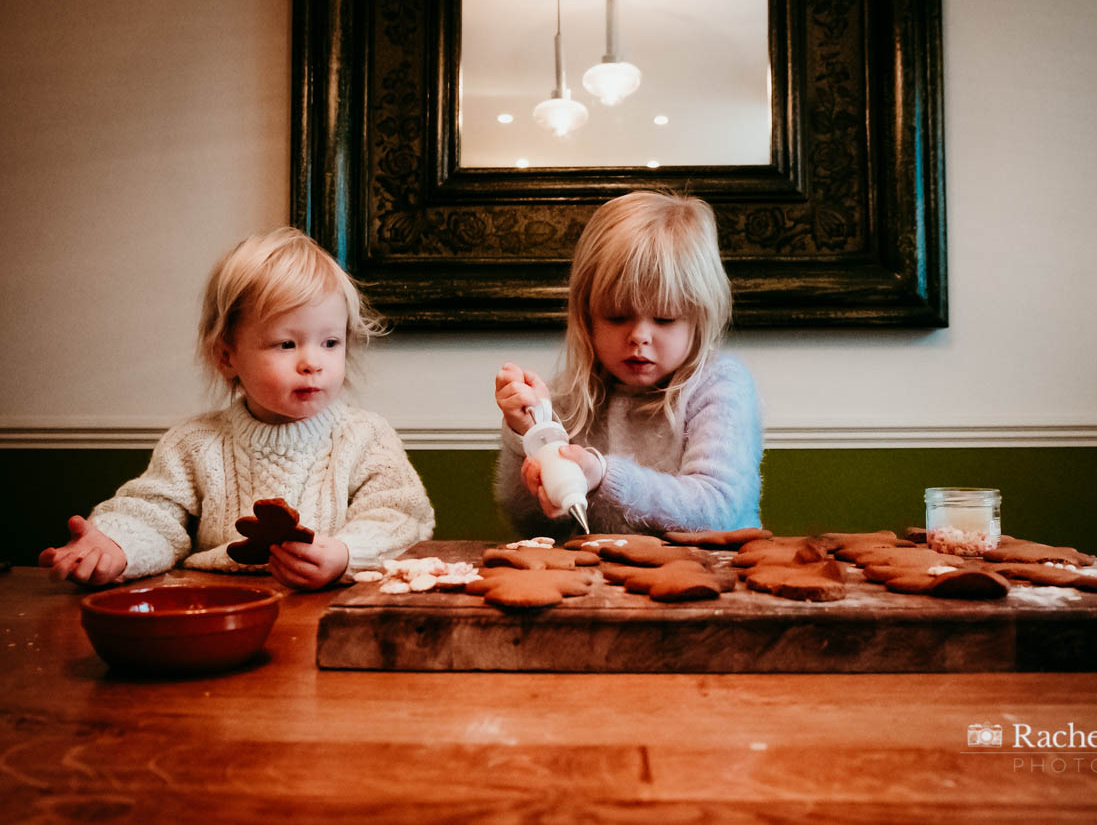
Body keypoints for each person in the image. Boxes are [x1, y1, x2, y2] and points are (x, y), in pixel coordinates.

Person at [39, 228, 434, 589]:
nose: (313, 362)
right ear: (227, 356)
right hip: (214, 608)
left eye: (330, 343)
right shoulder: (195, 444)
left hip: (328, 615)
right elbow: (152, 514)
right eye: (286, 344)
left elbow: (402, 518)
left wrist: (346, 554)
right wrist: (115, 545)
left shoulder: (365, 437)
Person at [494, 191, 763, 540]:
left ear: (699, 318)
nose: (639, 336)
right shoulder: (572, 396)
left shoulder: (720, 385)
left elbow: (717, 510)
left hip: (714, 580)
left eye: (664, 319)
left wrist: (603, 475)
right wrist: (529, 436)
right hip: (605, 586)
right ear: (587, 318)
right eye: (617, 317)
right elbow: (530, 526)